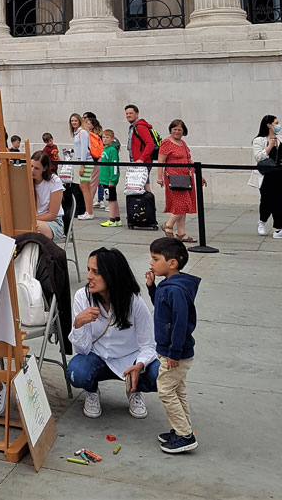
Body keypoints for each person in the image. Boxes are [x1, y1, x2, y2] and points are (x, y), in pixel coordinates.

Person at [67, 246, 159, 420]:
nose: (88, 277)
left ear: (111, 275)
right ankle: (92, 391)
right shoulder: (82, 296)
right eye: (88, 270)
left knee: (159, 375)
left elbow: (148, 344)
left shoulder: (134, 302)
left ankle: (134, 389)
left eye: (96, 272)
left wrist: (140, 364)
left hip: (129, 359)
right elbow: (82, 351)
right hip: (98, 358)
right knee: (76, 372)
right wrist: (78, 324)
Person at [146, 237, 201, 453]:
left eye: (155, 258)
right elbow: (162, 309)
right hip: (171, 350)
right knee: (177, 390)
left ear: (172, 263)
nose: (151, 263)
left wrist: (174, 352)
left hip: (175, 352)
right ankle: (181, 429)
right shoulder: (167, 286)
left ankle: (185, 436)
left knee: (166, 390)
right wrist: (151, 288)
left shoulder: (176, 290)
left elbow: (179, 323)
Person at [157, 119, 206, 243]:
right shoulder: (166, 143)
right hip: (173, 178)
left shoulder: (183, 143)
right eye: (174, 129)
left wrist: (199, 175)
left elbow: (189, 161)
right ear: (171, 130)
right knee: (183, 204)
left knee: (182, 206)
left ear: (183, 131)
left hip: (186, 178)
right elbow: (161, 161)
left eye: (179, 129)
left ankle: (181, 233)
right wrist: (159, 177)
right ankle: (168, 225)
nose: (177, 132)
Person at [253, 114, 282, 239]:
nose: (278, 125)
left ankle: (278, 229)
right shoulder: (259, 140)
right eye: (276, 123)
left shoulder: (281, 138)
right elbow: (258, 157)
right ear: (269, 125)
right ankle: (262, 221)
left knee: (280, 202)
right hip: (268, 176)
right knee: (267, 202)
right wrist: (270, 146)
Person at [31, 150, 65, 240]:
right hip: (34, 220)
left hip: (53, 222)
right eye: (31, 166)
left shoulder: (54, 181)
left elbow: (52, 215)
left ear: (45, 168)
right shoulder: (27, 179)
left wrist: (32, 219)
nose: (32, 170)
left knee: (31, 227)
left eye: (36, 168)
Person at [68, 112, 94, 220]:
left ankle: (89, 212)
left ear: (79, 121)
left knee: (84, 187)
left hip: (86, 161)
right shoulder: (77, 132)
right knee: (86, 186)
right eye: (72, 121)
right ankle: (89, 211)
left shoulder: (82, 132)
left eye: (75, 120)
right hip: (83, 161)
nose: (74, 122)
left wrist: (82, 165)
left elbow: (84, 149)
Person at [125, 103, 155, 193]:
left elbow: (150, 144)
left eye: (131, 113)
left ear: (137, 114)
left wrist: (142, 159)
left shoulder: (140, 127)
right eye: (127, 114)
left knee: (144, 187)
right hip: (137, 162)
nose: (128, 115)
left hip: (142, 163)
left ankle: (150, 206)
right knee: (141, 187)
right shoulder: (133, 127)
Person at [98, 130, 121, 227]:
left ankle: (112, 219)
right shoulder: (105, 149)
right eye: (103, 137)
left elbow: (114, 166)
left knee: (111, 199)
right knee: (112, 199)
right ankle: (117, 219)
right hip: (105, 179)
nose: (105, 139)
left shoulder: (112, 150)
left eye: (107, 137)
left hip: (110, 180)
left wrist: (112, 179)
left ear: (112, 139)